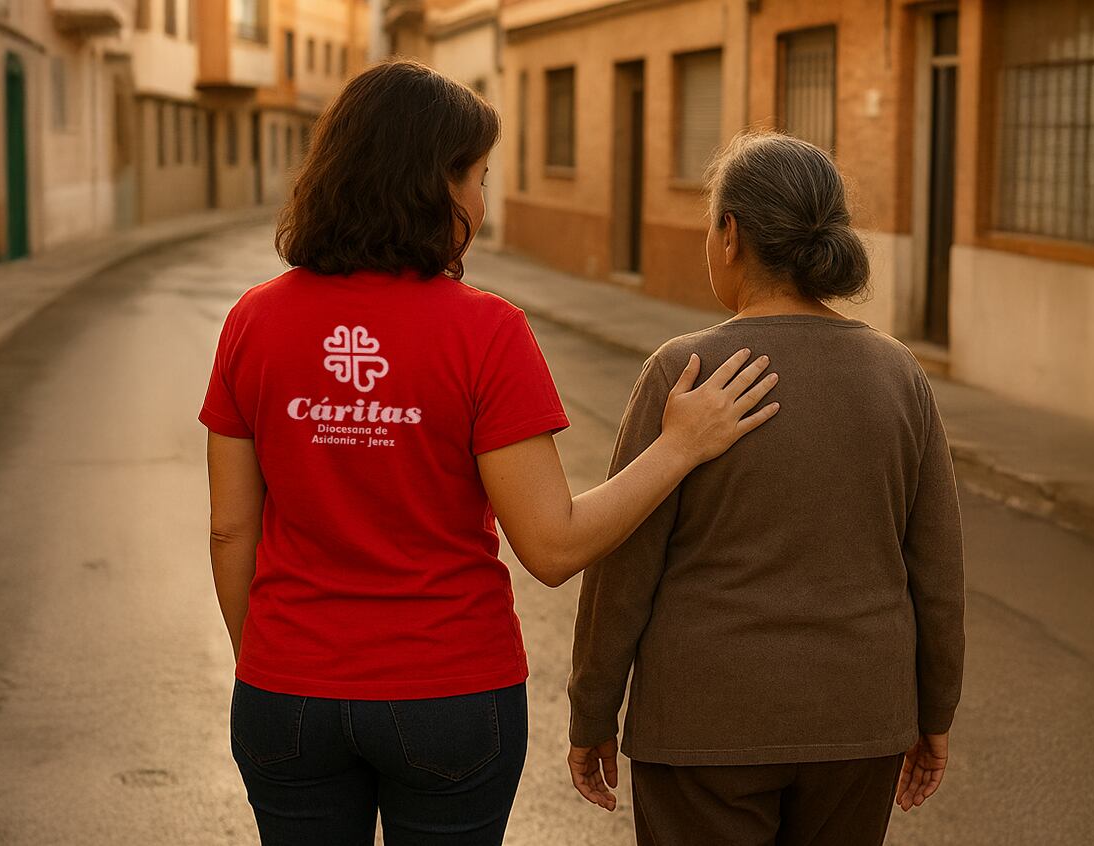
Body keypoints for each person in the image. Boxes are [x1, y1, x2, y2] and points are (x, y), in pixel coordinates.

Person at [199, 60, 779, 846]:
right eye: (475, 177)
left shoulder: (252, 322)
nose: (480, 200)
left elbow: (232, 531)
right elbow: (552, 544)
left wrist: (270, 664)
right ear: (429, 184)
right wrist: (678, 447)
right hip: (448, 693)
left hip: (286, 690)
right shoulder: (486, 333)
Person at [567, 130, 966, 846]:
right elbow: (936, 573)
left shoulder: (685, 372)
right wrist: (933, 714)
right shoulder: (898, 374)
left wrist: (592, 714)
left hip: (702, 726)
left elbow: (623, 567)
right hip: (859, 721)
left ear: (730, 236)